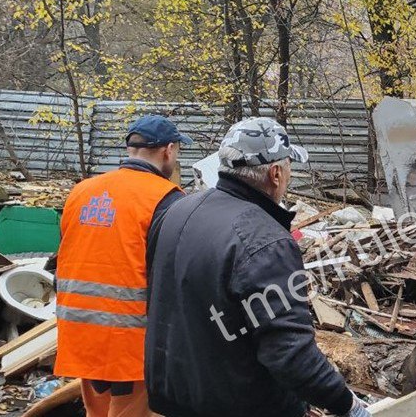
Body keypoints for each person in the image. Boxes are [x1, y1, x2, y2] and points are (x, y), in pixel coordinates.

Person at [144, 117, 369, 417]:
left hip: (172, 396)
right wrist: (346, 403)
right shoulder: (264, 241)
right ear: (275, 173)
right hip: (239, 403)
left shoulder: (175, 211)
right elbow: (290, 354)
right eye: (289, 166)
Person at [54, 115, 191, 417]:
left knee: (97, 412)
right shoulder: (166, 200)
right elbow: (172, 276)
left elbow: (65, 255)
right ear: (168, 150)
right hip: (130, 341)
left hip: (80, 331)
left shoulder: (82, 191)